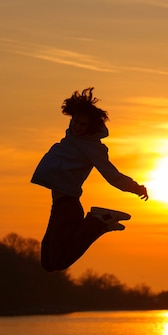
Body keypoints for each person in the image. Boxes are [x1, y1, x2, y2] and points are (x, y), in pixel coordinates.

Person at [31, 88, 148, 272]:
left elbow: (111, 175)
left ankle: (98, 221)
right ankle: (99, 222)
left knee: (59, 262)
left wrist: (136, 187)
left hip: (69, 207)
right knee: (47, 262)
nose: (77, 127)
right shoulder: (71, 139)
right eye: (75, 121)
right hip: (58, 206)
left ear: (90, 128)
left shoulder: (92, 148)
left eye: (82, 125)